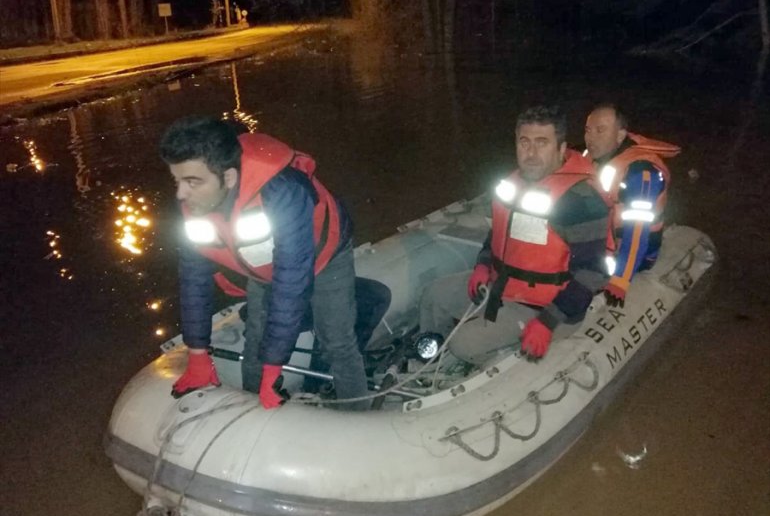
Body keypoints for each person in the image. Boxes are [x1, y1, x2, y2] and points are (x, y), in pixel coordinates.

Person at [159, 116, 372, 410]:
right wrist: (197, 353)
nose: (181, 194)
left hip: (326, 255)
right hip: (262, 265)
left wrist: (274, 368)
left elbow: (291, 281)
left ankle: (356, 414)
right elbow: (194, 281)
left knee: (337, 340)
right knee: (256, 339)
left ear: (229, 178)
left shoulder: (283, 194)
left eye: (193, 182)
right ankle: (250, 407)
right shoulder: (195, 202)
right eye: (178, 180)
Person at [420, 105, 611, 365]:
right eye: (524, 142)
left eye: (542, 143)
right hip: (504, 286)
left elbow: (592, 273)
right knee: (435, 294)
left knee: (464, 343)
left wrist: (547, 322)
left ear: (561, 148)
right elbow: (499, 232)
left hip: (547, 306)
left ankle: (496, 368)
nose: (531, 153)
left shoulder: (580, 201)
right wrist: (483, 265)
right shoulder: (514, 184)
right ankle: (432, 359)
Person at [584, 104, 681, 307]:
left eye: (600, 130)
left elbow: (637, 231)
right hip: (599, 240)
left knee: (581, 277)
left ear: (620, 135)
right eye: (588, 130)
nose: (591, 138)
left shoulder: (642, 174)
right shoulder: (590, 158)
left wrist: (621, 279)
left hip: (630, 250)